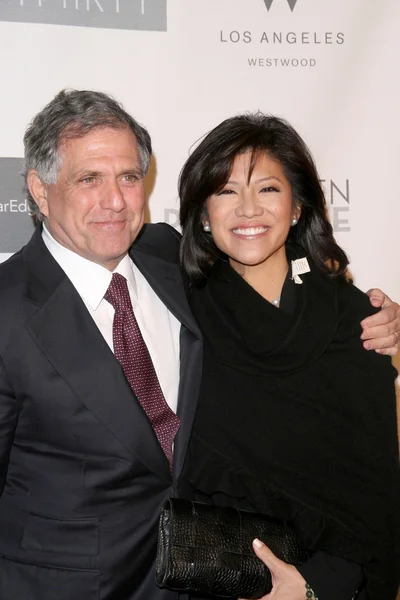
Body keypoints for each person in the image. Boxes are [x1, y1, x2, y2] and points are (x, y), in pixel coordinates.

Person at [0, 91, 397, 600]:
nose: (114, 200)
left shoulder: (168, 261)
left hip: (220, 577)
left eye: (127, 177)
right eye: (88, 179)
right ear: (39, 188)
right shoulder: (9, 311)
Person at [177, 113, 400, 600]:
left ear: (298, 206)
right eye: (226, 190)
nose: (248, 210)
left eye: (268, 189)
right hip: (211, 577)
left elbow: (372, 487)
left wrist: (313, 586)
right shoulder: (178, 309)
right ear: (202, 212)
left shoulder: (357, 319)